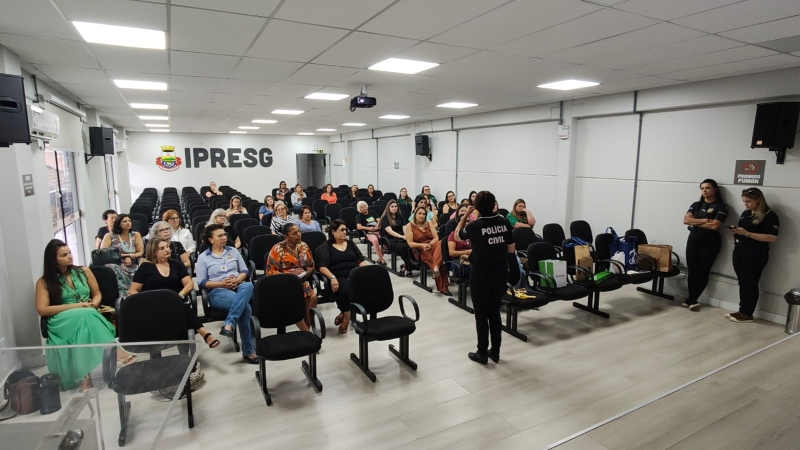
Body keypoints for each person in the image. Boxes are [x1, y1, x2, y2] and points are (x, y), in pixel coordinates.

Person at [35, 240, 119, 391]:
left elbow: (97, 294)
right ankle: (117, 351)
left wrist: (93, 304)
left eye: (69, 253)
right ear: (53, 259)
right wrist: (78, 306)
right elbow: (42, 310)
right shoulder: (44, 282)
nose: (70, 256)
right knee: (86, 314)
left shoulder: (84, 271)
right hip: (61, 318)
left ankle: (85, 377)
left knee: (86, 318)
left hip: (88, 312)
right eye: (63, 255)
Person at [455, 191, 518, 365]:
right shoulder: (504, 222)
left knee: (481, 314)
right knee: (494, 312)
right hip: (500, 272)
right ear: (493, 204)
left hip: (481, 274)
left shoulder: (476, 225)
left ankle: (482, 352)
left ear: (476, 207)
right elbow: (511, 249)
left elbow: (457, 235)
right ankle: (495, 352)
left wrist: (465, 215)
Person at [129, 237, 219, 348]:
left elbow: (189, 283)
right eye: (162, 248)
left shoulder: (176, 264)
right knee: (182, 308)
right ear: (153, 252)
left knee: (181, 306)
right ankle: (204, 333)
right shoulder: (145, 268)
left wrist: (181, 294)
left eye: (167, 247)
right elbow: (133, 290)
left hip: (174, 301)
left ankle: (202, 335)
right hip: (152, 305)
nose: (167, 249)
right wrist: (143, 301)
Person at [195, 224, 258, 364]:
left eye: (225, 235)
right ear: (211, 239)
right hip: (218, 292)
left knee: (248, 285)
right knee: (246, 308)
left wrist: (237, 280)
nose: (224, 237)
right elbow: (202, 282)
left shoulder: (233, 251)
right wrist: (222, 284)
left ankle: (229, 323)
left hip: (239, 287)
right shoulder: (203, 257)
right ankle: (249, 352)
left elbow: (245, 271)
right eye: (220, 235)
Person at [728, 188, 779, 323]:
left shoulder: (769, 215)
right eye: (744, 201)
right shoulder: (746, 213)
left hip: (755, 253)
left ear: (758, 200)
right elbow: (744, 229)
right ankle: (742, 309)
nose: (745, 204)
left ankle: (747, 313)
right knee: (742, 281)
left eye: (748, 201)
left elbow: (771, 237)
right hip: (740, 250)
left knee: (750, 282)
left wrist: (747, 233)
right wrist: (737, 230)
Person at [682, 179, 728, 311]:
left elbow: (715, 226)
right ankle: (692, 298)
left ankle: (693, 299)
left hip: (710, 241)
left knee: (703, 270)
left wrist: (695, 221)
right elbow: (686, 220)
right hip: (693, 239)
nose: (704, 191)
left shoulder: (721, 206)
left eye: (707, 188)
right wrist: (706, 220)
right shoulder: (696, 205)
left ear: (715, 189)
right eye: (702, 188)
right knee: (692, 270)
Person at [316, 219, 368, 334]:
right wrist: (332, 278)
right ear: (333, 232)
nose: (345, 232)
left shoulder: (350, 244)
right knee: (345, 290)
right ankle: (347, 318)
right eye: (342, 230)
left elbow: (360, 260)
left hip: (354, 274)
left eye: (346, 230)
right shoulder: (326, 247)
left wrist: (365, 272)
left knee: (365, 287)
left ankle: (344, 312)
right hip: (338, 277)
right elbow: (322, 267)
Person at [266, 223, 317, 329]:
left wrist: (305, 274)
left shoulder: (303, 246)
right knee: (294, 301)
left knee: (312, 297)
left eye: (299, 231)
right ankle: (306, 332)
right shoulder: (277, 249)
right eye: (294, 233)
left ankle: (307, 326)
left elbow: (311, 266)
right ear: (286, 236)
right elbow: (271, 272)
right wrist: (290, 275)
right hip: (282, 284)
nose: (299, 235)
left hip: (300, 282)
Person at [406, 206, 450, 295]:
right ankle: (444, 287)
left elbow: (436, 238)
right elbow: (410, 243)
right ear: (415, 214)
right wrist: (422, 245)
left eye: (424, 214)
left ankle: (436, 267)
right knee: (437, 259)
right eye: (419, 213)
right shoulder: (409, 226)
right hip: (420, 249)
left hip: (432, 245)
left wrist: (430, 244)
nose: (422, 216)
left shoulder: (429, 223)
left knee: (441, 242)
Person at [99, 213, 143, 294]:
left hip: (133, 262)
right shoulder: (109, 236)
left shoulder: (136, 235)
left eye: (129, 221)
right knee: (110, 267)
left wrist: (132, 256)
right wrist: (127, 256)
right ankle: (124, 293)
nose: (128, 223)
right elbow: (104, 252)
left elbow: (140, 252)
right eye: (124, 221)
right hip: (116, 263)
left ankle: (134, 291)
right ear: (119, 224)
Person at [380, 200, 414, 277]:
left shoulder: (400, 216)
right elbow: (390, 232)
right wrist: (402, 236)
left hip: (401, 237)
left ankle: (405, 266)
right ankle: (409, 269)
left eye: (396, 206)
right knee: (405, 247)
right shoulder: (385, 218)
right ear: (388, 207)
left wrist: (406, 236)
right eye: (392, 206)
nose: (394, 208)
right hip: (390, 239)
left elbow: (404, 227)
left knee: (411, 245)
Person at [356, 201, 386, 266]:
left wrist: (377, 225)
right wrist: (369, 228)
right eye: (362, 207)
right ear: (359, 209)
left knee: (385, 240)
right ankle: (381, 258)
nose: (364, 208)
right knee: (375, 241)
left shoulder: (372, 212)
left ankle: (380, 258)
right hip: (369, 233)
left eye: (364, 206)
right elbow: (358, 227)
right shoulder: (359, 216)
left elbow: (379, 220)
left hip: (378, 230)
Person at [448, 212, 473, 278]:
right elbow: (451, 253)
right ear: (458, 223)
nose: (465, 223)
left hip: (471, 258)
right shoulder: (453, 234)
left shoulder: (472, 234)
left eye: (467, 221)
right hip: (458, 260)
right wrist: (467, 252)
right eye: (463, 221)